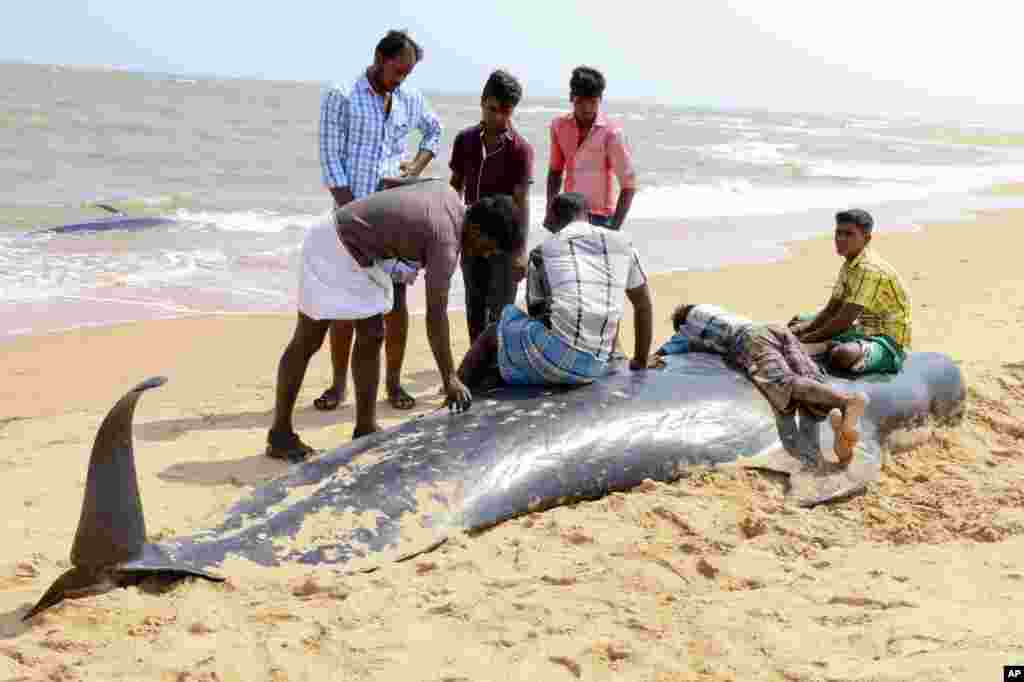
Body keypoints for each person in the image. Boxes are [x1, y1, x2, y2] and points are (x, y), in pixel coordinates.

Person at [267, 184, 524, 460]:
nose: (486, 255)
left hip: (337, 237)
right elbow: (436, 314)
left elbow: (395, 186)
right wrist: (450, 378)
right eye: (489, 247)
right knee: (311, 339)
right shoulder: (445, 242)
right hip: (338, 249)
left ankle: (364, 428)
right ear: (477, 230)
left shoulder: (448, 195)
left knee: (369, 333)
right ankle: (283, 434)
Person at [316, 29, 443, 413]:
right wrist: (351, 213)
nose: (401, 78)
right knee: (345, 303)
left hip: (395, 214)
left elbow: (435, 130)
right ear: (378, 57)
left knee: (396, 301)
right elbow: (330, 159)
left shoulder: (409, 98)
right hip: (350, 215)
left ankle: (392, 382)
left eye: (407, 72)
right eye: (397, 70)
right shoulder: (342, 94)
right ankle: (339, 386)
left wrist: (416, 165)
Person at [456, 192, 653, 389]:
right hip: (597, 365)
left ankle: (455, 389)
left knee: (494, 332)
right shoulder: (624, 244)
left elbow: (539, 316)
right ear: (588, 216)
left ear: (554, 220)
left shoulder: (542, 252)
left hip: (561, 362)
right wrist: (640, 361)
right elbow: (643, 305)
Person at [655, 303, 869, 466]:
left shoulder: (688, 326)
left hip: (749, 340)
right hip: (774, 330)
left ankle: (846, 402)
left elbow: (670, 348)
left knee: (784, 384)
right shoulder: (712, 310)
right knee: (809, 380)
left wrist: (654, 356)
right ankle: (836, 433)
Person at [450, 69, 535, 343]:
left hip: (504, 243)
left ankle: (497, 368)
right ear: (483, 101)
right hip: (471, 238)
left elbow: (522, 201)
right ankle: (478, 369)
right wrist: (450, 234)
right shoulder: (465, 140)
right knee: (474, 307)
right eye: (493, 109)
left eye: (506, 112)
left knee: (500, 313)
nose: (499, 117)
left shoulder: (521, 149)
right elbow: (455, 188)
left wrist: (521, 251)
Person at [788, 209, 912, 375]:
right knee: (798, 322)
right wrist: (797, 332)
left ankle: (837, 348)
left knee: (843, 354)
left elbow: (843, 320)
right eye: (838, 233)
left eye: (849, 234)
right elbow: (830, 310)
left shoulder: (869, 269)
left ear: (866, 239)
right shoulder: (849, 265)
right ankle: (826, 344)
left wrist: (804, 340)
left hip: (886, 339)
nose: (840, 239)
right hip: (861, 326)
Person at [545, 66, 637, 230]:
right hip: (569, 216)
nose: (587, 108)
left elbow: (628, 184)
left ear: (600, 99)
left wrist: (614, 227)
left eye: (592, 102)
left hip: (601, 218)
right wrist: (550, 209)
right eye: (581, 101)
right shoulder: (558, 126)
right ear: (571, 97)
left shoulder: (611, 133)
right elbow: (555, 171)